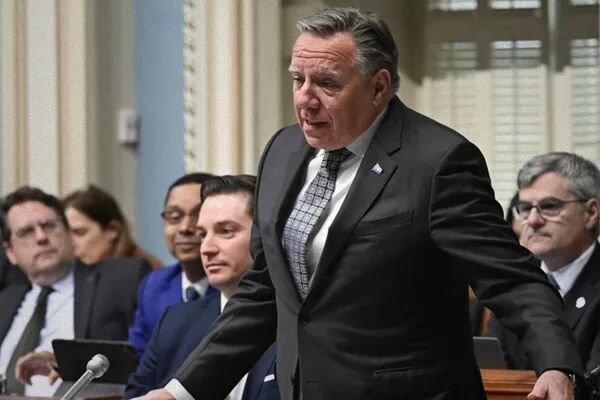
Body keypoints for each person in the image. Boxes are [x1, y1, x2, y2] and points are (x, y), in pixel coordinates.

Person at [136, 8, 582, 400]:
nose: (305, 98)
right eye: (298, 79)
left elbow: (511, 279)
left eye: (327, 83)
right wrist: (180, 391)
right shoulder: (282, 151)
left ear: (378, 86)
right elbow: (265, 290)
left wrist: (557, 365)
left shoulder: (438, 161)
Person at [125, 175, 278, 400]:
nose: (206, 248)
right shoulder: (174, 322)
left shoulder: (297, 323)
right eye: (203, 234)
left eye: (226, 231)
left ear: (265, 235)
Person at [0, 186, 150, 396]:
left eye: (49, 225)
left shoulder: (121, 279)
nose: (41, 237)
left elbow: (151, 354)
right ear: (10, 252)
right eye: (26, 232)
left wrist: (69, 364)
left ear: (68, 232)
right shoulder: (6, 300)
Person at [487, 152, 600, 372]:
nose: (533, 220)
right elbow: (495, 374)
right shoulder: (513, 283)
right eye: (525, 208)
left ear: (590, 213)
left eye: (549, 206)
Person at [129, 172, 216, 358]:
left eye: (198, 215)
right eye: (175, 217)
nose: (185, 228)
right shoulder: (153, 286)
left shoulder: (235, 288)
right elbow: (137, 355)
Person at [63, 184, 162, 268]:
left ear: (112, 230)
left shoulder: (146, 274)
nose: (71, 244)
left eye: (80, 232)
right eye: (66, 235)